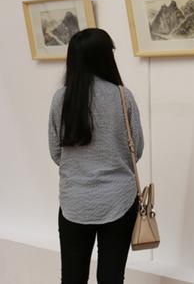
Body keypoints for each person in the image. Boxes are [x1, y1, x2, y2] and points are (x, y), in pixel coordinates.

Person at [48, 28, 144, 284]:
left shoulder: (61, 99)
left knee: (72, 277)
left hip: (74, 202)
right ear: (105, 57)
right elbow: (137, 149)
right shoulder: (123, 96)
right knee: (112, 278)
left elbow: (56, 152)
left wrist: (80, 167)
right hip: (119, 201)